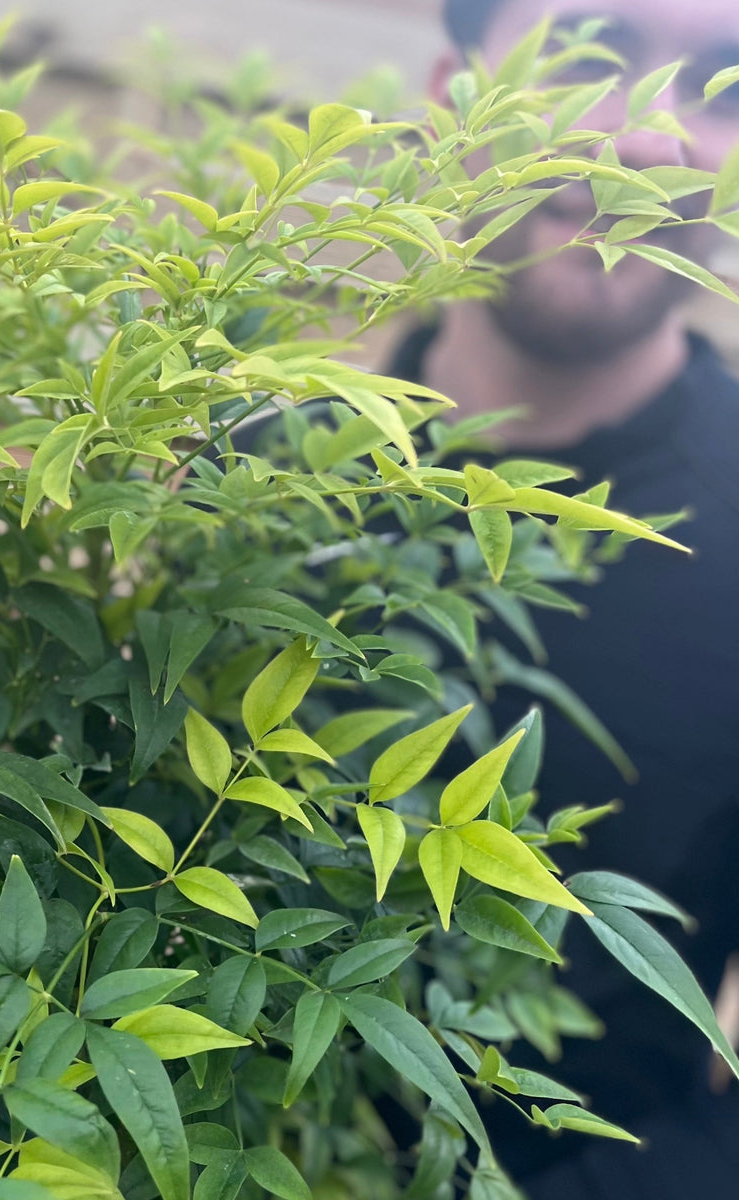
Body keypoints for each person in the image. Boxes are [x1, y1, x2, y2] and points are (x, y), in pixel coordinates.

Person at [416, 3, 739, 1197]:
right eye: (594, 55)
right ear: (455, 91)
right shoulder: (232, 481)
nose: (652, 140)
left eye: (725, 84)